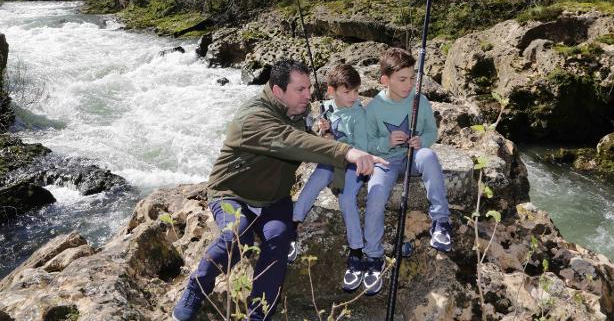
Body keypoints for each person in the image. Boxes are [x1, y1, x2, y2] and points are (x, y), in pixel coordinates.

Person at [172, 60, 388, 321]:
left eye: (309, 88)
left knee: (278, 240)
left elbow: (310, 139)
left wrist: (326, 134)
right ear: (277, 91)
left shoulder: (300, 111)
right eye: (300, 89)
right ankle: (197, 287)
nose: (308, 95)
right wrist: (346, 152)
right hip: (231, 193)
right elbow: (290, 141)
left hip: (275, 199)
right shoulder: (253, 117)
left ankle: (259, 314)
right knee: (237, 234)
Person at [361, 47, 452, 296]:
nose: (409, 84)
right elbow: (366, 144)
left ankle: (441, 222)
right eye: (402, 79)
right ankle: (373, 257)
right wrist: (386, 143)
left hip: (414, 158)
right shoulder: (374, 108)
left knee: (430, 156)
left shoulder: (420, 101)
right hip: (386, 162)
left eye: (413, 78)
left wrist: (421, 140)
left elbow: (432, 133)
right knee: (376, 194)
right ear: (385, 80)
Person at [289, 64, 368, 292]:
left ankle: (356, 251)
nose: (353, 96)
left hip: (355, 165)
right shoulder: (326, 107)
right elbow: (319, 137)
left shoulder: (359, 115)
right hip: (332, 161)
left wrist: (335, 141)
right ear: (331, 91)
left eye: (356, 91)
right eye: (347, 92)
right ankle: (293, 225)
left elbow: (361, 149)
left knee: (346, 198)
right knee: (314, 181)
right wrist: (323, 131)